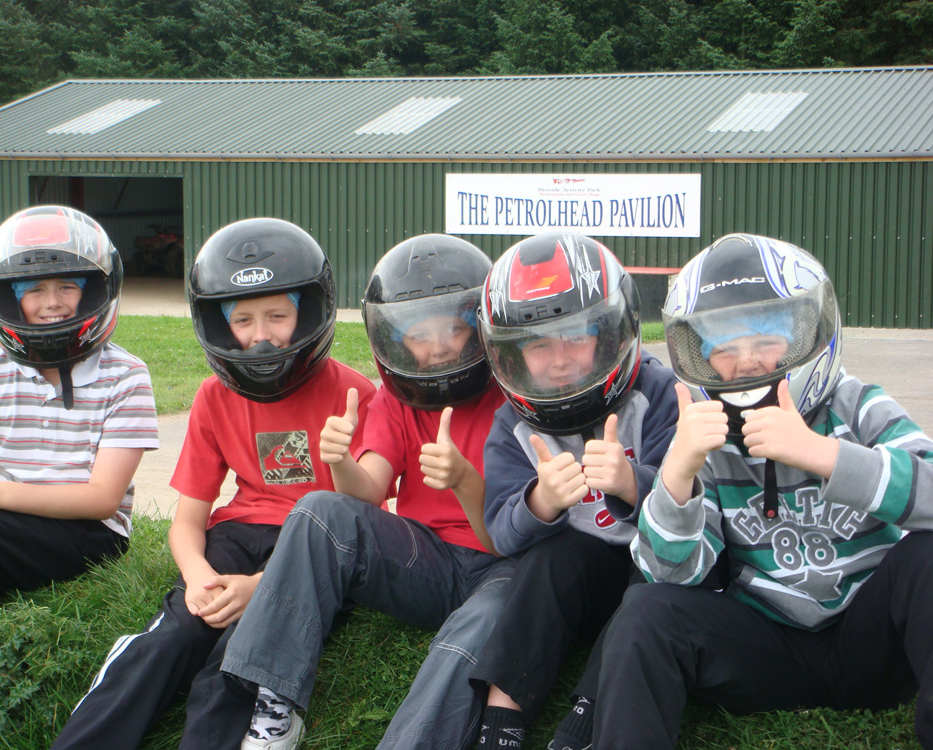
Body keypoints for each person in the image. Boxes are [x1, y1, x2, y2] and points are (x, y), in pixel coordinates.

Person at [582, 233, 933, 749]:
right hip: (767, 647)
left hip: (872, 642)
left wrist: (822, 454)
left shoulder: (857, 404)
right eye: (724, 348)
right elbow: (672, 576)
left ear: (806, 333)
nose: (746, 364)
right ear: (697, 355)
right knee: (643, 609)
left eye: (767, 340)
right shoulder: (705, 436)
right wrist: (677, 476)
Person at [50, 218, 378, 749]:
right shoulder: (214, 396)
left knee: (236, 659)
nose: (261, 335)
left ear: (309, 312)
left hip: (316, 548)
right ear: (220, 324)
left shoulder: (354, 395)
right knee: (168, 640)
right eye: (243, 320)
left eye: (278, 316)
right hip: (238, 535)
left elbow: (363, 519)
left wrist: (264, 588)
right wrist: (199, 577)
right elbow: (188, 521)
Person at [181, 233, 513, 750]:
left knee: (471, 637)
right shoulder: (397, 401)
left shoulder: (514, 397)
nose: (437, 346)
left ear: (479, 326)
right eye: (418, 334)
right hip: (426, 560)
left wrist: (466, 480)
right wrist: (339, 462)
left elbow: (506, 541)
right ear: (394, 338)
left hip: (505, 567)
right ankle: (274, 705)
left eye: (453, 327)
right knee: (318, 508)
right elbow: (368, 493)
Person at [469, 232, 678, 749]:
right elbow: (502, 535)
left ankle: (582, 724)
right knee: (547, 560)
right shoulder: (512, 425)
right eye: (538, 345)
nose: (559, 359)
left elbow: (688, 511)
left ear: (611, 333)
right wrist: (540, 502)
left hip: (654, 576)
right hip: (576, 584)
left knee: (652, 577)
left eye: (576, 337)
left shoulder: (659, 394)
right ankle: (501, 724)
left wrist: (632, 483)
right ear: (511, 355)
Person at [0, 205, 158, 652]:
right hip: (7, 525)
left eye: (67, 286)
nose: (52, 301)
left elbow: (102, 500)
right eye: (34, 289)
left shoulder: (126, 375)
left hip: (90, 534)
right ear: (7, 298)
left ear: (95, 291)